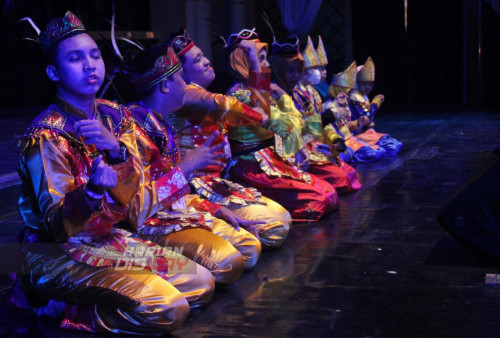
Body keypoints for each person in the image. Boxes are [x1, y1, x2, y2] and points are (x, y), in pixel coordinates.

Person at [15, 12, 214, 334]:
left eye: (94, 55)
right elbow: (55, 224)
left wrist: (118, 151)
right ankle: (67, 308)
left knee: (201, 282)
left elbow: (136, 190)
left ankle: (96, 301)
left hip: (110, 238)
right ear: (54, 72)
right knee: (168, 309)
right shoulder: (47, 136)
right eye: (76, 59)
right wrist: (91, 192)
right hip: (59, 252)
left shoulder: (113, 115)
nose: (90, 65)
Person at [125, 41, 261, 283]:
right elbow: (135, 210)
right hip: (146, 227)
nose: (185, 86)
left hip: (179, 212)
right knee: (223, 268)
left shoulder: (162, 125)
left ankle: (191, 268)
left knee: (249, 248)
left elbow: (177, 194)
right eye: (180, 78)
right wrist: (185, 168)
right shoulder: (132, 131)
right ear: (166, 85)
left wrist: (217, 209)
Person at [166, 30, 291, 248]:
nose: (206, 62)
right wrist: (253, 60)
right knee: (275, 227)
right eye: (198, 59)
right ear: (181, 73)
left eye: (204, 55)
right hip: (194, 188)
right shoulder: (192, 98)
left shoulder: (203, 96)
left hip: (216, 183)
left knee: (283, 218)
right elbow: (261, 115)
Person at [225, 28, 339, 222]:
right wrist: (284, 99)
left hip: (275, 158)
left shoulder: (265, 93)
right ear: (243, 62)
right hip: (253, 167)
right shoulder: (240, 96)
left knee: (330, 192)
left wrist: (284, 98)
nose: (266, 64)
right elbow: (285, 123)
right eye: (260, 59)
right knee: (321, 200)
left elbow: (298, 126)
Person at [279, 36, 361, 193]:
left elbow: (320, 123)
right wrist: (330, 115)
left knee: (349, 174)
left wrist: (335, 138)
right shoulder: (283, 94)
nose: (319, 73)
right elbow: (296, 131)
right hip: (296, 149)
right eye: (314, 69)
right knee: (341, 179)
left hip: (312, 143)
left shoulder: (311, 92)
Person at [322, 61, 387, 163]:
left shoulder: (345, 107)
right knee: (372, 153)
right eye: (344, 94)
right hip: (338, 141)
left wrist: (358, 122)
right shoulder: (329, 109)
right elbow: (331, 131)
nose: (347, 97)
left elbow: (346, 127)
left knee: (380, 151)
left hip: (350, 138)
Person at [348, 57, 403, 156]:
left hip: (362, 133)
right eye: (364, 84)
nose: (368, 88)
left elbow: (368, 122)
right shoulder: (354, 98)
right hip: (352, 135)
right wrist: (375, 104)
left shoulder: (363, 97)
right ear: (356, 83)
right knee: (380, 151)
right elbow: (367, 118)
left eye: (370, 85)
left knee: (395, 145)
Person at [314, 35, 330, 101]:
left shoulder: (324, 83)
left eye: (325, 68)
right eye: (322, 69)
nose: (325, 71)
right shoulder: (312, 87)